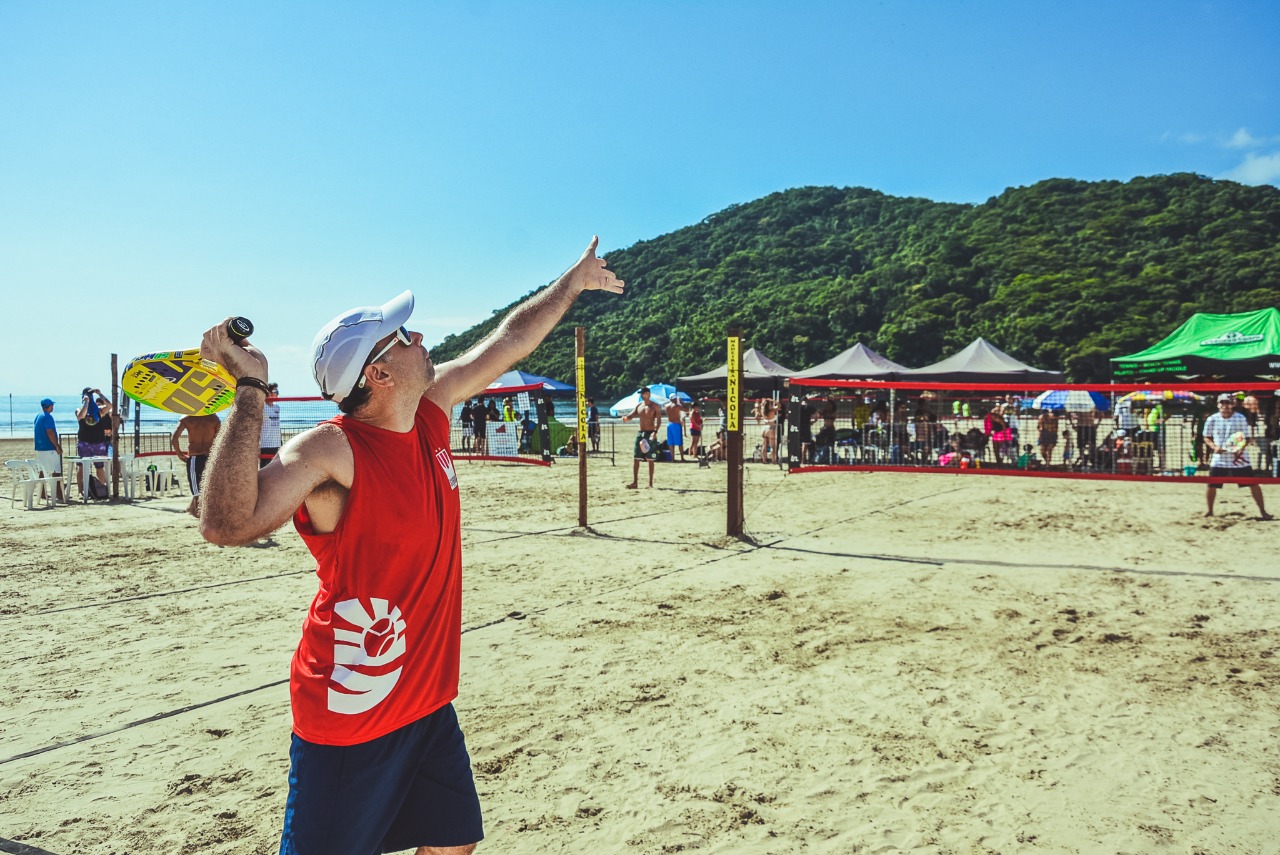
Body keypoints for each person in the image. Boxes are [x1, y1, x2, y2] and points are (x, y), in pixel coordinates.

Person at [195, 237, 622, 855]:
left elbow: (509, 341)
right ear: (379, 373)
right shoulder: (330, 448)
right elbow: (224, 523)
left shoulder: (431, 409)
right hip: (353, 707)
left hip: (425, 700)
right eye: (406, 336)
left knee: (452, 841)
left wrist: (573, 281)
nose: (421, 338)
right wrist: (250, 388)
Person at [1202, 393, 1271, 520]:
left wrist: (1239, 449)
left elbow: (1246, 437)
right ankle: (1209, 511)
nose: (1225, 406)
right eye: (1222, 403)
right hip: (1220, 458)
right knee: (1211, 485)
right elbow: (1206, 436)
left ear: (1233, 404)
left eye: (1228, 403)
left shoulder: (1240, 418)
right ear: (1218, 405)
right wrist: (1214, 447)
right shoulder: (1212, 419)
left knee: (1253, 483)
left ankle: (1263, 512)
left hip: (1239, 459)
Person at [171, 413, 221, 516]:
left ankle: (199, 514)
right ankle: (208, 513)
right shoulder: (214, 418)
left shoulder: (187, 418)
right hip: (210, 457)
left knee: (196, 489)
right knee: (211, 486)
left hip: (195, 456)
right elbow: (221, 439)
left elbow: (174, 438)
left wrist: (179, 453)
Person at [76, 387, 113, 498]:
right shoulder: (79, 409)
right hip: (84, 442)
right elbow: (81, 416)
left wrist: (100, 394)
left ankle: (101, 488)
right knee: (82, 466)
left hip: (98, 442)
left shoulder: (99, 411)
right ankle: (80, 491)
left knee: (99, 467)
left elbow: (110, 406)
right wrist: (86, 402)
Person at [623, 386, 663, 488]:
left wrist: (655, 432)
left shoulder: (655, 406)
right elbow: (631, 416)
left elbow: (658, 421)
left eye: (644, 393)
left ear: (648, 394)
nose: (643, 395)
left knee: (650, 459)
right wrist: (626, 418)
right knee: (636, 458)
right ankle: (635, 482)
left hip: (651, 432)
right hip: (641, 433)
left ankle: (650, 483)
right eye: (642, 394)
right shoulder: (639, 406)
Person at [33, 397, 65, 502]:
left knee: (43, 469)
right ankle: (58, 493)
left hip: (40, 447)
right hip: (49, 447)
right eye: (52, 405)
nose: (53, 407)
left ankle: (42, 492)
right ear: (49, 406)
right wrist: (57, 445)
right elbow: (50, 432)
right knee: (56, 470)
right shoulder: (48, 417)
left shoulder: (38, 416)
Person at [259, 382, 282, 468]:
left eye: (277, 392)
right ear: (268, 393)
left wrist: (280, 442)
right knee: (264, 469)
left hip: (276, 444)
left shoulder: (277, 407)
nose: (276, 394)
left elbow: (277, 426)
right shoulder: (262, 407)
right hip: (265, 444)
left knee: (276, 469)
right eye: (274, 392)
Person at [664, 394, 687, 462]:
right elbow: (685, 409)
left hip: (669, 424)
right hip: (676, 424)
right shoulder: (677, 406)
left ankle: (672, 458)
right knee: (679, 442)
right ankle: (682, 458)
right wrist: (681, 402)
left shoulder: (666, 406)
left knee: (671, 443)